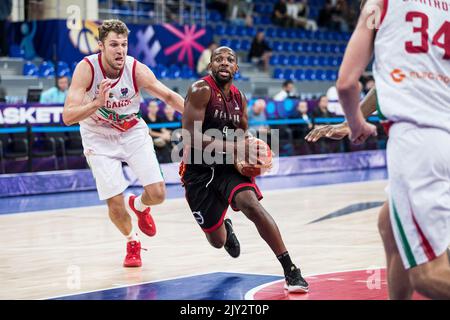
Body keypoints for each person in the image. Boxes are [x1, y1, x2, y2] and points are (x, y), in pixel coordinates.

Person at [337, 0, 450, 299]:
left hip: (420, 140)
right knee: (389, 226)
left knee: (428, 275)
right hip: (442, 131)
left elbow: (347, 83)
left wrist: (355, 122)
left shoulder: (380, 4)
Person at [180, 46, 309, 293]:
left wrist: (249, 153)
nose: (224, 63)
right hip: (198, 171)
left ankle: (290, 269)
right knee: (216, 242)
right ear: (211, 66)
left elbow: (242, 134)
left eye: (230, 59)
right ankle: (225, 229)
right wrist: (236, 148)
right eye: (218, 59)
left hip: (228, 166)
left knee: (252, 205)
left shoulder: (240, 99)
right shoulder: (200, 90)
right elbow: (189, 136)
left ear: (236, 68)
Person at [63, 20, 184, 268]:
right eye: (114, 45)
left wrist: (202, 120)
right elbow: (68, 116)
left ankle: (139, 206)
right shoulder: (86, 69)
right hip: (97, 135)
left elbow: (170, 96)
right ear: (101, 46)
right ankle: (132, 240)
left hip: (131, 132)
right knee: (115, 206)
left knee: (158, 194)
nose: (120, 50)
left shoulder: (136, 70)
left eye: (124, 44)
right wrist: (97, 103)